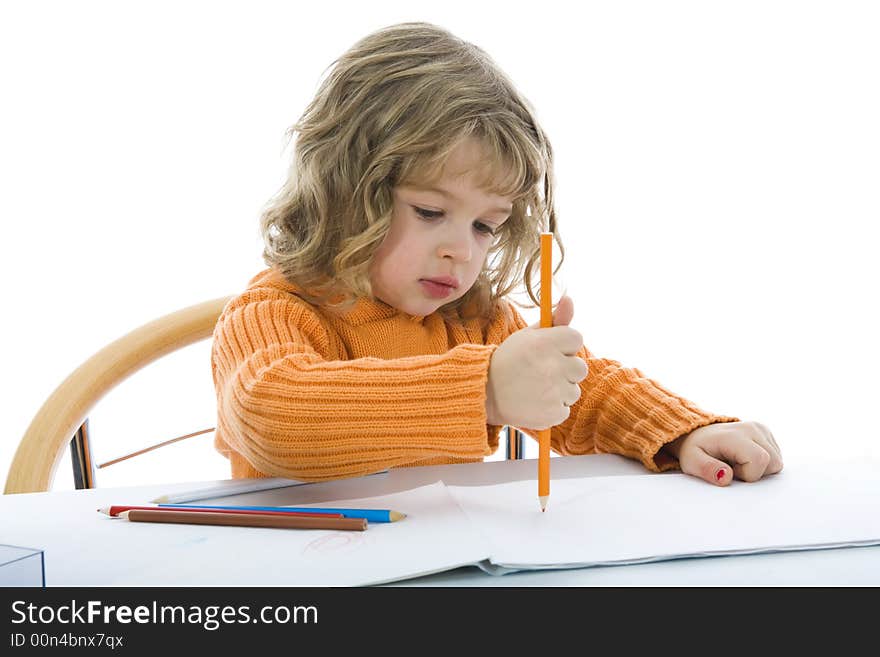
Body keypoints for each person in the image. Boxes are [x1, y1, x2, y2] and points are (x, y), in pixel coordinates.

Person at [211, 21, 782, 488]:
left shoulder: (473, 322)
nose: (460, 250)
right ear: (342, 191)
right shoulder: (273, 313)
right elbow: (274, 418)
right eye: (430, 212)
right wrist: (483, 391)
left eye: (486, 225)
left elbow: (581, 393)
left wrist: (681, 433)